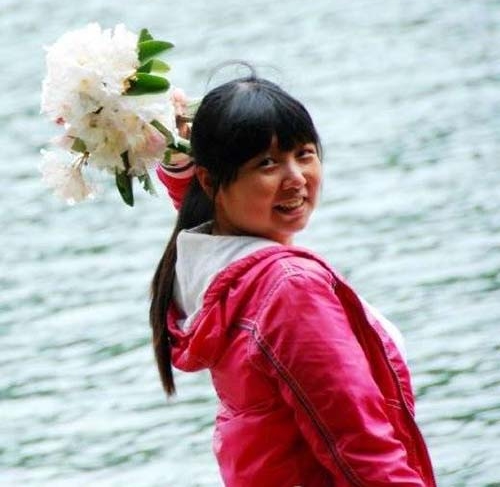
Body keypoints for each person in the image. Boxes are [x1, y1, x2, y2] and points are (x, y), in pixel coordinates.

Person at [149, 72, 437, 486]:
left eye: (304, 154)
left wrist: (175, 159)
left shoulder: (213, 267)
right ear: (210, 181)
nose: (297, 177)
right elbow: (360, 448)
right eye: (266, 163)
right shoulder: (290, 288)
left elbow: (198, 200)